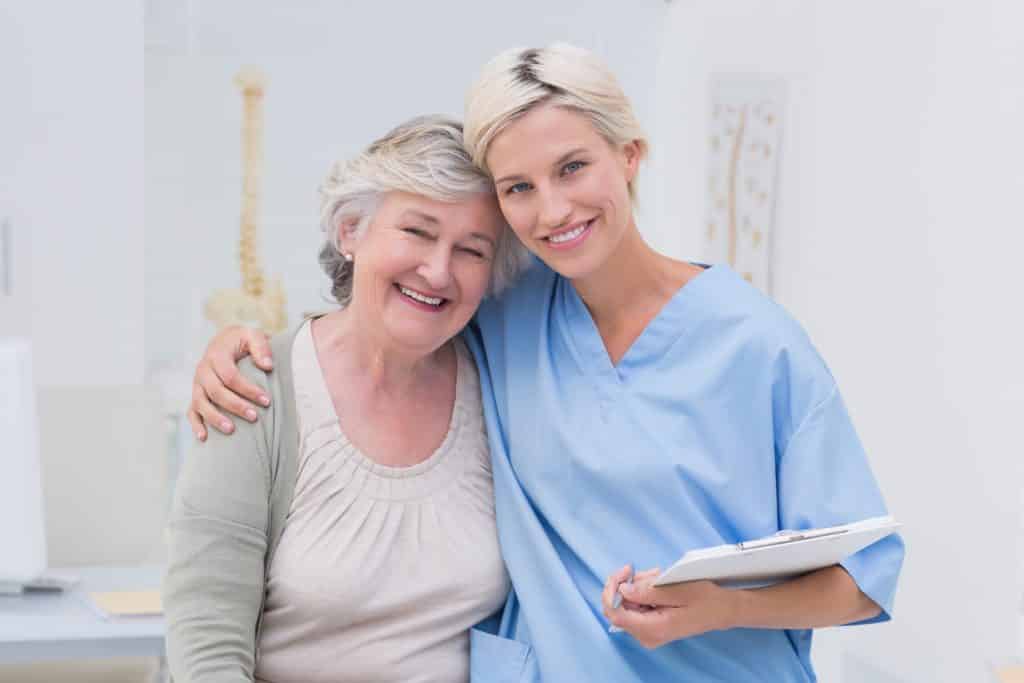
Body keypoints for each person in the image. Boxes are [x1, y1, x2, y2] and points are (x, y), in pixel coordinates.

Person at [186, 44, 904, 682]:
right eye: (518, 187)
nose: (552, 210)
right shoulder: (505, 312)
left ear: (629, 156)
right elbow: (391, 309)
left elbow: (867, 577)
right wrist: (249, 348)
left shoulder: (758, 345)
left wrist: (716, 609)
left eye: (572, 168)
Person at [164, 115, 530, 683]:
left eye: (472, 251)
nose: (437, 271)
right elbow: (207, 651)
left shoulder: (502, 389)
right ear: (351, 231)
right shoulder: (255, 390)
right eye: (417, 231)